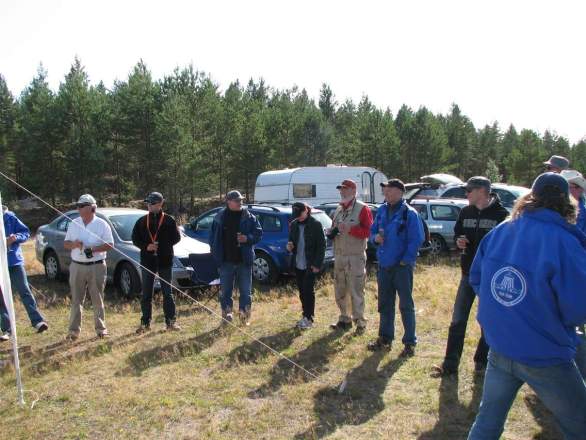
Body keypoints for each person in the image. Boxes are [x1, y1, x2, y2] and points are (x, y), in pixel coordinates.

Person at [467, 173, 586, 440]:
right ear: (566, 202)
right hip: (545, 353)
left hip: (500, 345)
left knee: (486, 423)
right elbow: (578, 308)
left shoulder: (502, 230)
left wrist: (502, 310)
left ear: (531, 196)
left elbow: (477, 278)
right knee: (581, 425)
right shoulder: (565, 242)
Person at [431, 177, 508, 377]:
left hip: (489, 278)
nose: (466, 194)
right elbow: (458, 233)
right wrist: (459, 241)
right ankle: (450, 365)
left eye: (469, 190)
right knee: (457, 320)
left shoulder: (502, 215)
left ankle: (482, 363)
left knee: (487, 322)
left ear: (482, 191)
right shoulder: (465, 212)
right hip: (467, 274)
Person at [368, 179, 424, 356]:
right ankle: (385, 338)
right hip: (384, 266)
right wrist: (375, 238)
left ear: (400, 192)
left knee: (406, 305)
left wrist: (405, 261)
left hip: (401, 267)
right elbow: (372, 232)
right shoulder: (382, 210)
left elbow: (417, 239)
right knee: (385, 304)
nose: (386, 193)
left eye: (389, 190)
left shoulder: (409, 213)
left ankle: (409, 343)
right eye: (385, 190)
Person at [64, 194, 114, 340]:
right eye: (78, 206)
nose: (78, 208)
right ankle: (73, 331)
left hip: (96, 266)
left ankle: (101, 329)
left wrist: (93, 249)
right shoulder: (74, 223)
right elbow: (66, 243)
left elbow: (110, 244)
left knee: (97, 298)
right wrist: (74, 244)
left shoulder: (102, 224)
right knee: (76, 300)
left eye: (81, 206)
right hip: (76, 266)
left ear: (92, 208)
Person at [209, 190, 262, 326]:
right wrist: (215, 253)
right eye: (237, 200)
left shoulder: (249, 216)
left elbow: (258, 234)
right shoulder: (219, 217)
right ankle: (227, 315)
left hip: (244, 261)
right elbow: (212, 238)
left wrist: (247, 238)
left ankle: (244, 316)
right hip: (225, 261)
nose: (240, 202)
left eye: (241, 200)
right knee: (226, 291)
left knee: (246, 291)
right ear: (228, 201)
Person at [132, 192, 182, 333]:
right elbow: (135, 239)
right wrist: (146, 246)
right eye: (147, 203)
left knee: (167, 293)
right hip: (147, 261)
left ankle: (171, 323)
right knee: (146, 293)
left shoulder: (169, 220)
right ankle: (145, 323)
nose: (149, 205)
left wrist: (163, 246)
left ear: (160, 204)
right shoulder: (142, 221)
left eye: (152, 203)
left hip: (165, 260)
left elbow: (177, 238)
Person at [328, 179, 373, 335]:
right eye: (341, 189)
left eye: (346, 189)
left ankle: (360, 322)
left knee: (356, 290)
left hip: (355, 257)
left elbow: (369, 232)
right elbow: (335, 229)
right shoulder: (338, 209)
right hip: (340, 256)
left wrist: (351, 229)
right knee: (340, 289)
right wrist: (331, 232)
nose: (342, 191)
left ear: (354, 191)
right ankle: (344, 319)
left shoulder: (362, 208)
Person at [0, 205, 48, 341]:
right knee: (2, 296)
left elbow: (25, 233)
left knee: (24, 291)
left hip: (14, 262)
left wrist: (15, 238)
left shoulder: (10, 217)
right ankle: (7, 330)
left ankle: (38, 321)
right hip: (0, 264)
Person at [561, 169, 586, 378]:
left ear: (577, 189)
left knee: (574, 327)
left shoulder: (581, 213)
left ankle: (578, 376)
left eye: (568, 187)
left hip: (574, 276)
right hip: (562, 273)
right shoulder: (564, 211)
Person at [287, 202, 326, 330]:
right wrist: (290, 246)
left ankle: (309, 318)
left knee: (308, 291)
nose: (298, 217)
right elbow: (291, 241)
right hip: (298, 263)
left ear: (306, 211)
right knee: (302, 292)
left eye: (300, 214)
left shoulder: (315, 224)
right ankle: (305, 315)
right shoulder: (294, 224)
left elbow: (322, 246)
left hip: (310, 264)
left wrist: (317, 264)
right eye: (296, 215)